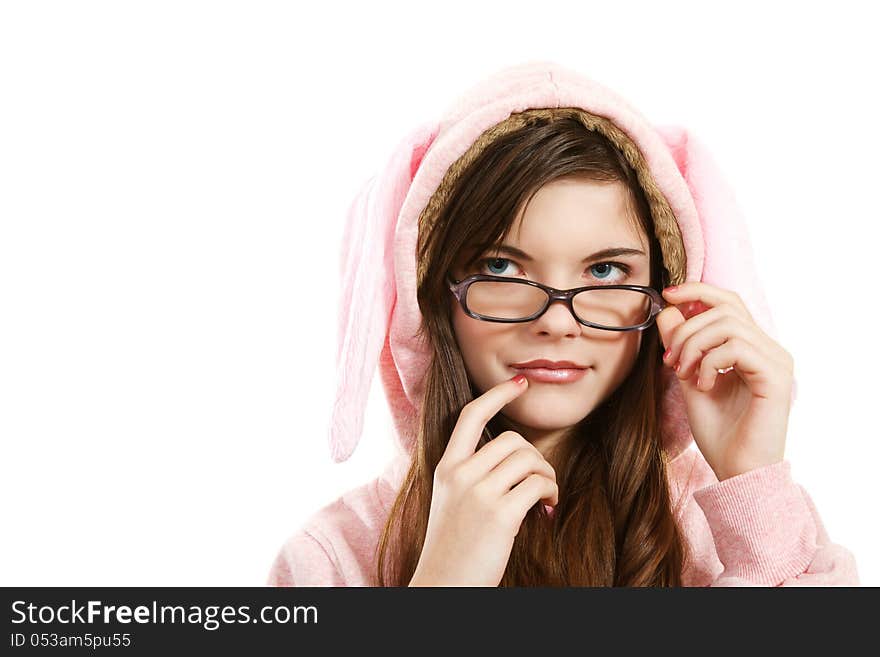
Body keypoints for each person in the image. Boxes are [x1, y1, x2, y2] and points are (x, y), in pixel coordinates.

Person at [267, 60, 859, 586]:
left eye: (604, 270)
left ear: (665, 295)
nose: (555, 321)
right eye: (500, 266)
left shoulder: (721, 529)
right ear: (429, 293)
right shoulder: (333, 560)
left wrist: (753, 485)